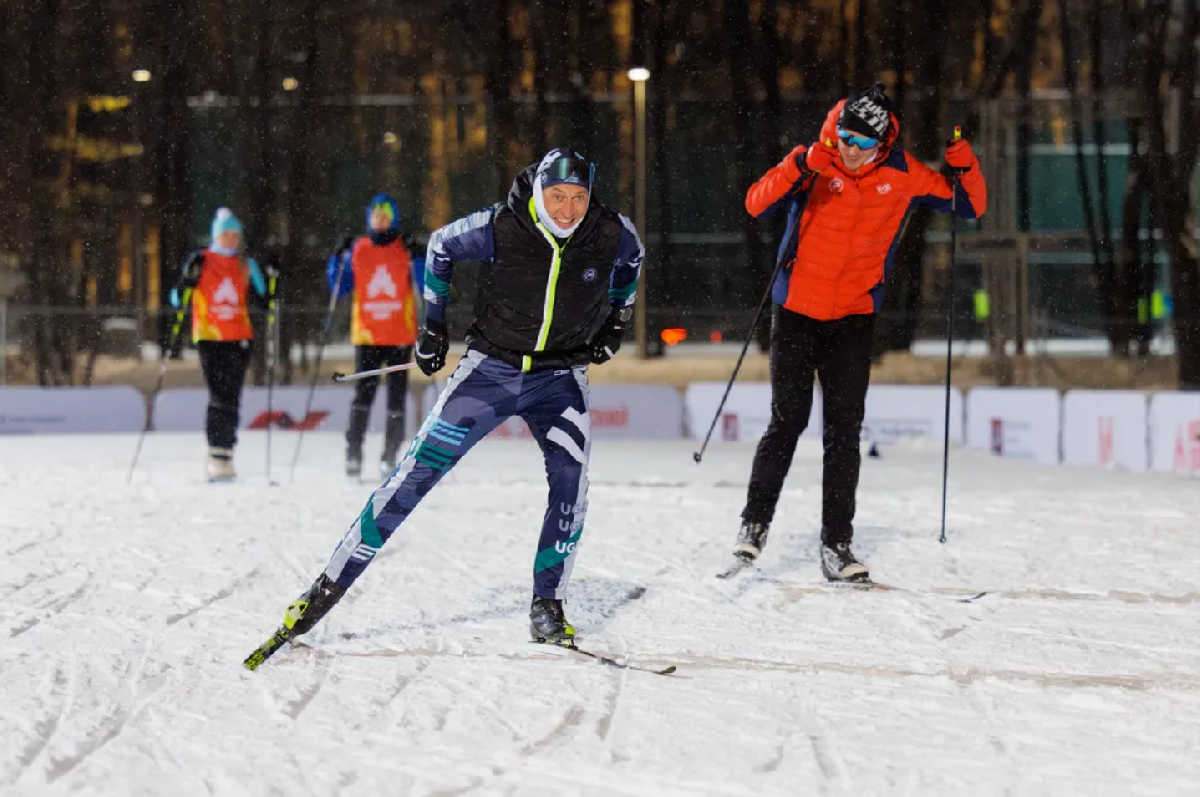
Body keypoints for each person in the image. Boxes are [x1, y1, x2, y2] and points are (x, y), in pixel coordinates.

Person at [260, 148, 643, 647]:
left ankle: (547, 604)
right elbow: (440, 246)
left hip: (560, 378)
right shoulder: (502, 226)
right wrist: (433, 327)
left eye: (578, 197)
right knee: (414, 476)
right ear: (538, 192)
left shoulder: (611, 231)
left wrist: (618, 319)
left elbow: (632, 261)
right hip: (489, 373)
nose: (568, 209)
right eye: (557, 196)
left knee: (572, 482)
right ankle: (324, 590)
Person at [730, 83, 987, 582]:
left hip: (852, 317)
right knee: (788, 422)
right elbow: (755, 204)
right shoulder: (814, 160)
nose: (850, 150)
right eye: (846, 137)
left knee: (843, 434)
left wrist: (965, 166)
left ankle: (837, 545)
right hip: (797, 313)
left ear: (883, 144)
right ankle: (754, 523)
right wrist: (798, 166)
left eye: (863, 143)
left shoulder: (904, 173)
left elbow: (968, 207)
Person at [327, 194, 425, 478]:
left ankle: (390, 453)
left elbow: (423, 281)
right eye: (375, 216)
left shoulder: (403, 248)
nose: (380, 222)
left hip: (399, 335)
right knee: (363, 397)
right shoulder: (360, 249)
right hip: (368, 336)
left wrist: (418, 255)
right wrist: (337, 257)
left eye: (386, 217)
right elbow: (339, 286)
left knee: (396, 399)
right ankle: (354, 451)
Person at [172, 207, 271, 481]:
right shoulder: (201, 260)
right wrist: (187, 282)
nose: (231, 240)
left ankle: (227, 452)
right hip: (209, 338)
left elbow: (264, 301)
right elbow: (176, 298)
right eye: (225, 234)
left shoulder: (245, 264)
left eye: (235, 235)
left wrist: (272, 277)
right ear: (217, 235)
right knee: (218, 397)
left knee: (233, 396)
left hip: (239, 338)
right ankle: (217, 454)